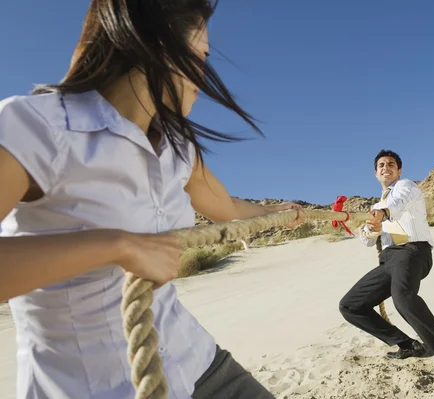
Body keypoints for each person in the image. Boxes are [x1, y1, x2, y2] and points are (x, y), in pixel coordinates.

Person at [0, 1, 304, 398]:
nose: (204, 75)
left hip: (201, 367)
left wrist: (277, 212)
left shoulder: (178, 149)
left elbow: (228, 209)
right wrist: (118, 246)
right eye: (200, 56)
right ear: (152, 44)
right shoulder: (35, 126)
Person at [338, 149, 434, 386]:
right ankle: (407, 344)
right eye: (381, 164)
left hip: (412, 252)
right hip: (388, 260)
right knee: (350, 305)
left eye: (391, 164)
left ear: (399, 170)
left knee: (403, 300)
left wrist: (384, 213)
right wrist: (372, 229)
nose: (385, 167)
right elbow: (367, 240)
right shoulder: (376, 205)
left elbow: (397, 205)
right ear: (375, 172)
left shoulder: (406, 187)